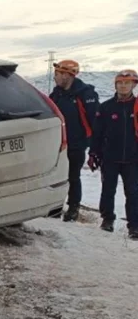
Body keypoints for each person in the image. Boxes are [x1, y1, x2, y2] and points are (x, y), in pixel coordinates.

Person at [88, 69, 138, 237]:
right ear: (115, 85)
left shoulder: (137, 106)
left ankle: (134, 226)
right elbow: (97, 133)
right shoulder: (106, 107)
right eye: (120, 83)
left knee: (133, 192)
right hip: (109, 157)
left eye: (127, 83)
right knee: (108, 190)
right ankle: (107, 220)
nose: (123, 86)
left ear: (133, 85)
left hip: (133, 159)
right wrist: (93, 153)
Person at [49, 59, 100, 222]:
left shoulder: (85, 94)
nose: (55, 77)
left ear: (66, 75)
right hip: (58, 144)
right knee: (56, 177)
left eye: (57, 74)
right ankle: (54, 206)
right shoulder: (56, 94)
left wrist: (95, 148)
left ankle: (73, 208)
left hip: (77, 144)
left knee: (73, 176)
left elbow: (95, 122)